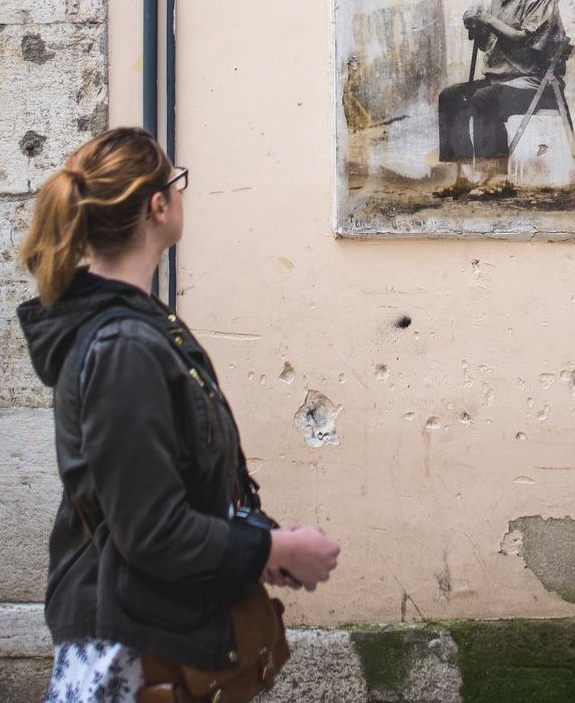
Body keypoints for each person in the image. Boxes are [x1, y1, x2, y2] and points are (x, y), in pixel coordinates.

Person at [18, 126, 340, 701]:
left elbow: (181, 490)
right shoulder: (123, 347)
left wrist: (254, 544)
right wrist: (276, 551)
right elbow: (152, 530)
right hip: (128, 654)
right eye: (177, 184)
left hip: (147, 633)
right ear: (158, 206)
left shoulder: (137, 330)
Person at [434, 0, 566, 199]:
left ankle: (498, 177)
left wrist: (487, 19)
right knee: (449, 97)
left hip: (534, 82)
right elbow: (493, 46)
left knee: (485, 99)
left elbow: (526, 42)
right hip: (502, 80)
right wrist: (478, 28)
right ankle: (464, 176)